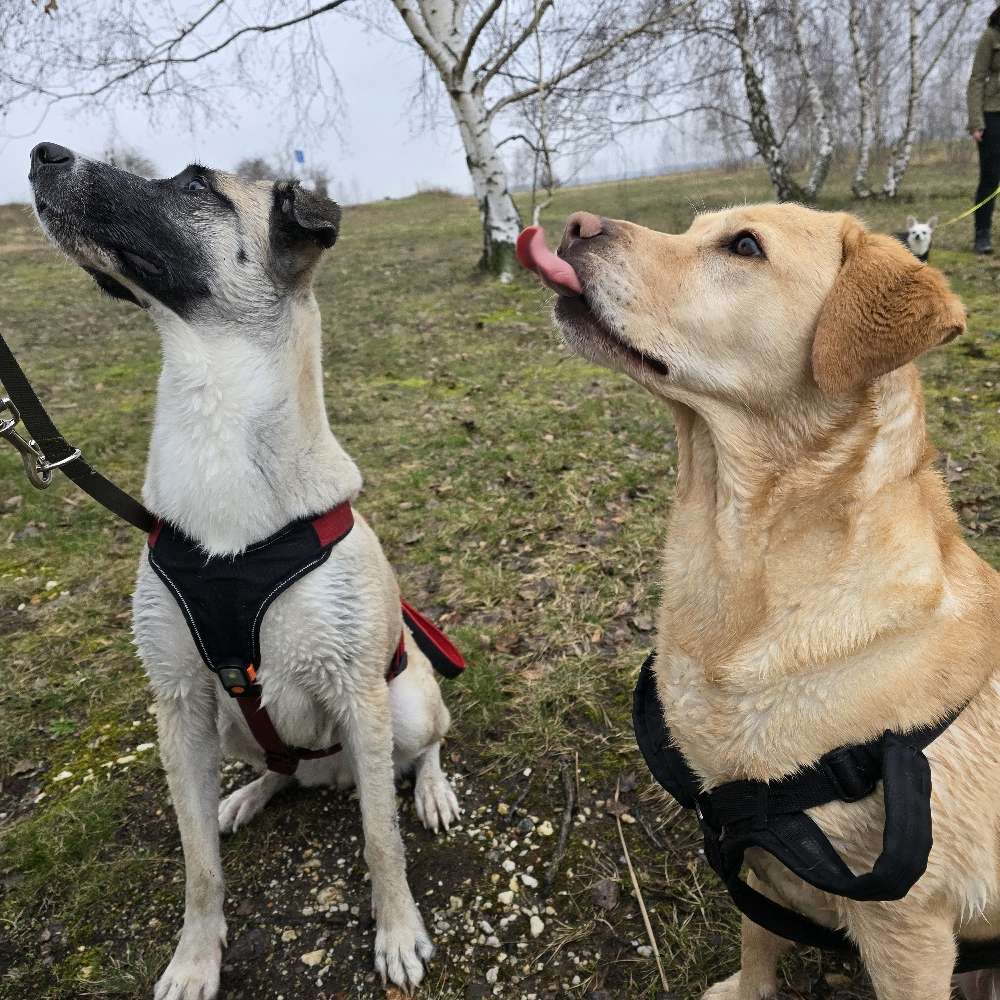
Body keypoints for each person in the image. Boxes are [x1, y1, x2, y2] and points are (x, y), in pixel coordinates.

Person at [968, 6, 1000, 254]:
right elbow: (977, 78)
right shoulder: (991, 36)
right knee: (991, 177)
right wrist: (976, 121)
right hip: (993, 114)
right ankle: (982, 234)